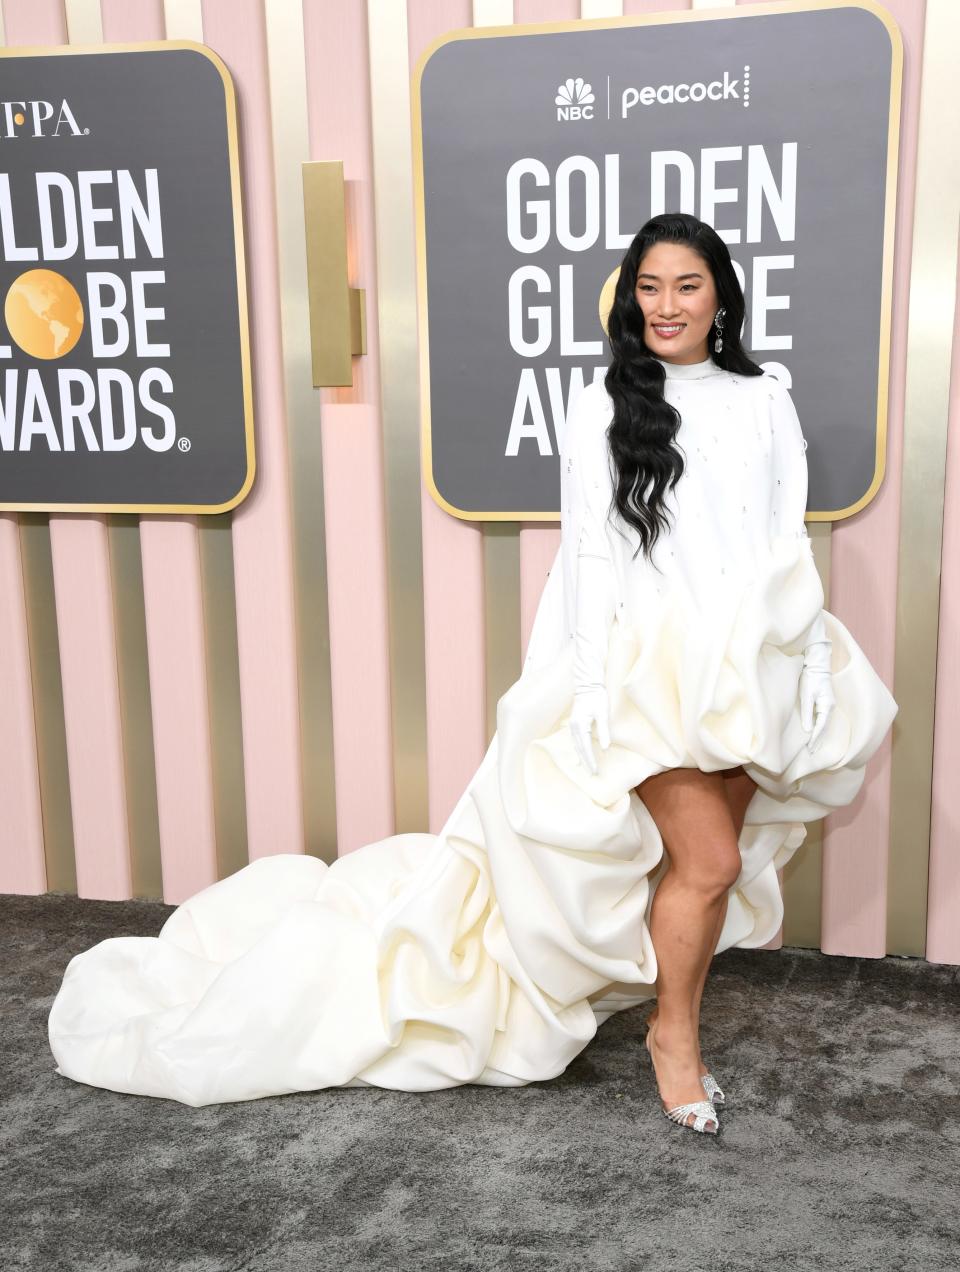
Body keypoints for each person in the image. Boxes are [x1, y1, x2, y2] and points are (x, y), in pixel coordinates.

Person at [47, 213, 898, 1133]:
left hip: (751, 665)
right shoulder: (602, 403)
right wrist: (592, 693)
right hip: (647, 669)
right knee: (712, 858)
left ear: (722, 295)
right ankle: (674, 1040)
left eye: (687, 286)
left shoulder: (767, 397)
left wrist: (809, 659)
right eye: (649, 287)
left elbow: (785, 538)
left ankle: (658, 1004)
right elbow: (592, 558)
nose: (666, 306)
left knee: (699, 872)